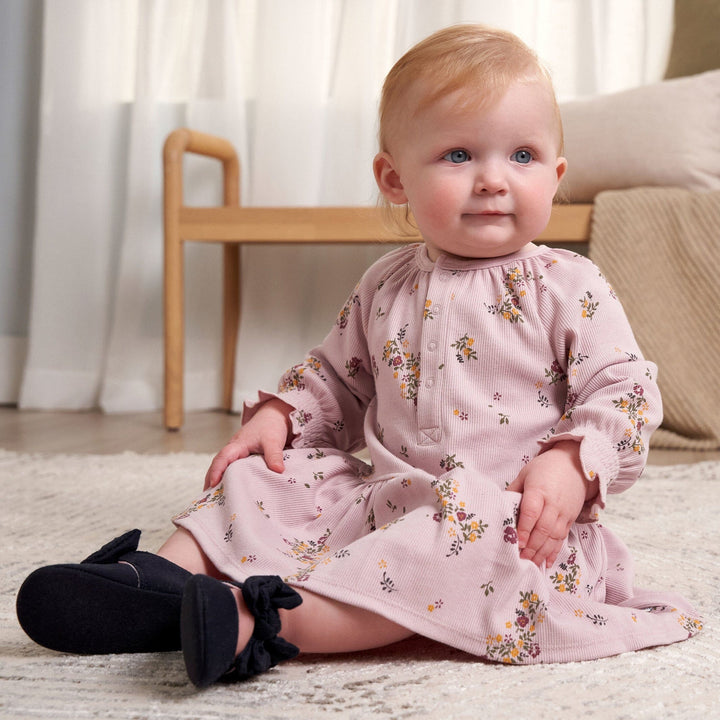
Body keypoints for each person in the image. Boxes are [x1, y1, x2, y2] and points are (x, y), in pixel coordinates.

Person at [17, 24, 701, 688]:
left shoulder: (567, 285)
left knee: (446, 555)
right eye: (459, 155)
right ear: (394, 178)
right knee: (275, 474)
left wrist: (571, 463)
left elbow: (625, 390)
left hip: (510, 526)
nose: (494, 179)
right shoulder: (386, 283)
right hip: (392, 501)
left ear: (555, 176)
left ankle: (272, 622)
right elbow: (336, 380)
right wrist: (284, 418)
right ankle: (161, 581)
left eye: (521, 157)